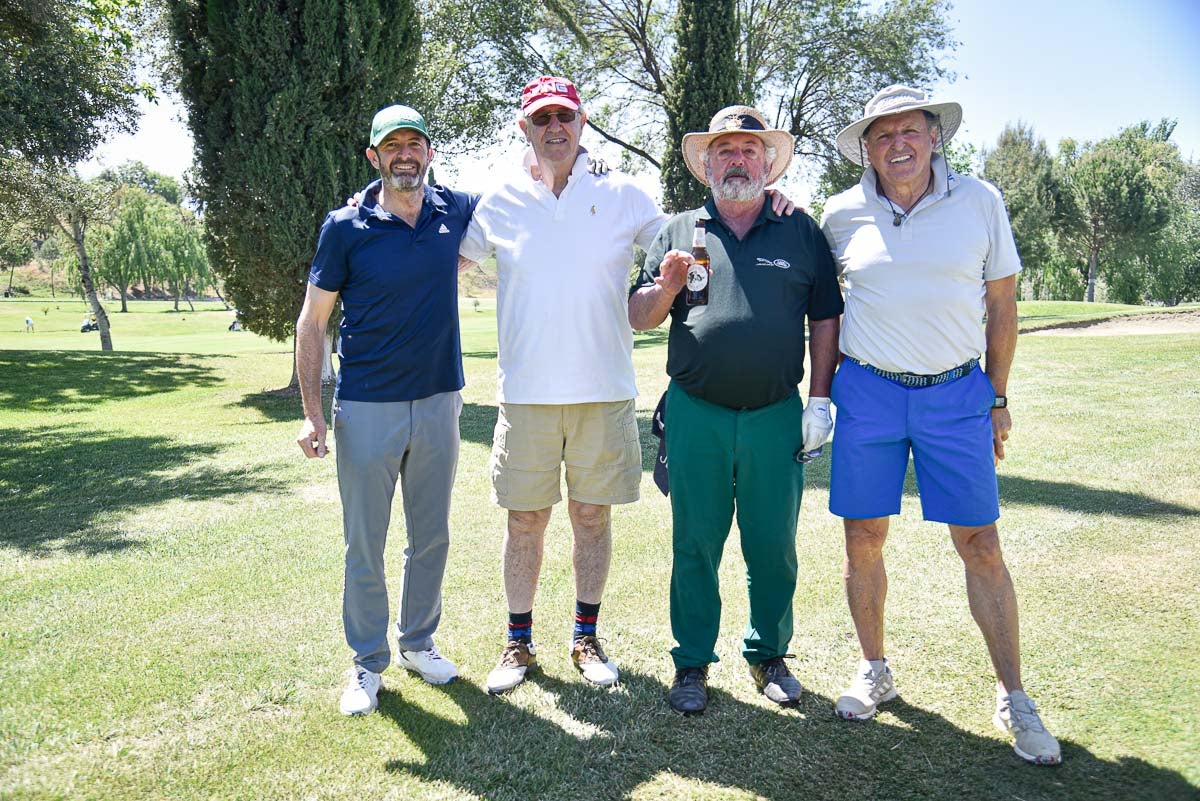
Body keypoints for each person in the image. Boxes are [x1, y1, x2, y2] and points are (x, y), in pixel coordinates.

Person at [820, 85, 1061, 765]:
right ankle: (875, 669)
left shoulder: (980, 201)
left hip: (957, 392)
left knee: (981, 543)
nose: (897, 145)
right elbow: (824, 309)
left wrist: (998, 396)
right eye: (882, 134)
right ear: (866, 148)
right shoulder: (838, 214)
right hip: (868, 391)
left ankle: (1015, 695)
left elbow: (1003, 304)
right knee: (863, 537)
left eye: (910, 132)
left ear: (934, 137)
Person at [628, 106, 843, 714]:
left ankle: (768, 654)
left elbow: (826, 315)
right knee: (695, 541)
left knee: (772, 542)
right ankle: (691, 663)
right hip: (697, 411)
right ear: (707, 164)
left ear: (767, 163)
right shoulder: (678, 230)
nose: (737, 160)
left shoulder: (798, 228)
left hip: (776, 412)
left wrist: (820, 398)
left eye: (749, 149)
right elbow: (637, 316)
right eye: (724, 150)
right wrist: (666, 288)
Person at [295, 105, 475, 716]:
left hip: (439, 399)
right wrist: (312, 411)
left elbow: (521, 198)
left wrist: (585, 164)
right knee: (364, 543)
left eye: (414, 143)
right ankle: (366, 663)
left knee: (432, 536)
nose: (404, 154)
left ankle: (418, 643)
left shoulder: (455, 210)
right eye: (391, 145)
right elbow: (313, 321)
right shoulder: (345, 226)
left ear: (429, 153)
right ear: (374, 157)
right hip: (368, 405)